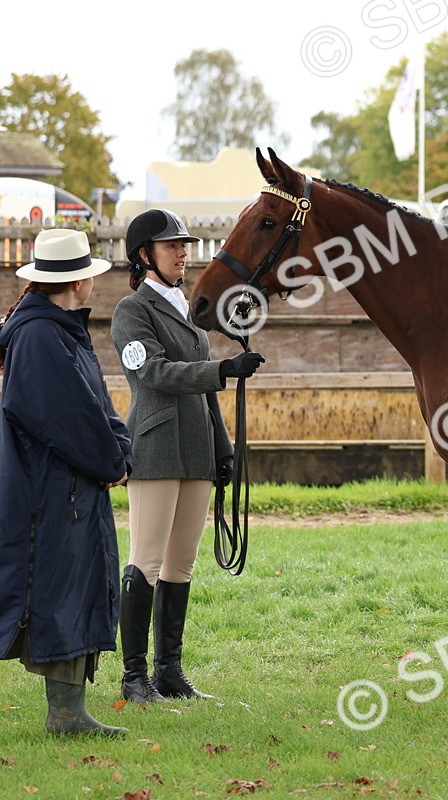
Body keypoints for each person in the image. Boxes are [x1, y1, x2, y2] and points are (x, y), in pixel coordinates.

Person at [110, 209, 265, 704]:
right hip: (156, 448)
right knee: (147, 560)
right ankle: (134, 677)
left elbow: (204, 395)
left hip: (197, 448)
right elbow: (155, 373)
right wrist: (222, 368)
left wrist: (224, 450)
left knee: (182, 565)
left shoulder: (184, 309)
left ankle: (169, 673)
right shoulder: (132, 312)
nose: (183, 252)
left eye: (183, 244)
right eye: (171, 245)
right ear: (143, 255)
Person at [0, 229, 132, 737]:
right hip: (51, 490)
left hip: (70, 488)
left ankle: (67, 712)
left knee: (70, 591)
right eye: (90, 275)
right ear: (77, 280)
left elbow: (96, 406)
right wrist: (110, 461)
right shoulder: (39, 335)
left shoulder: (59, 329)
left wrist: (119, 450)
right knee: (54, 594)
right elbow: (63, 417)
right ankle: (66, 715)